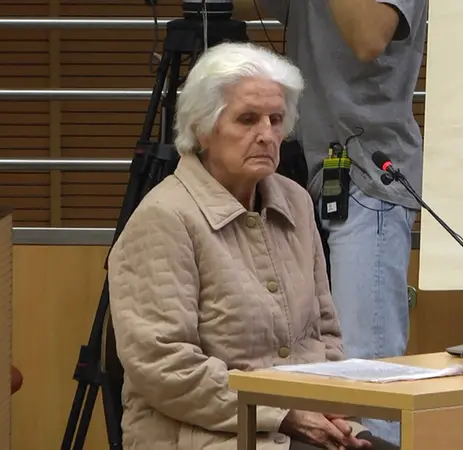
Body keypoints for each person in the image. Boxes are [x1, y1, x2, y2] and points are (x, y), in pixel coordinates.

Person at [107, 42, 398, 450]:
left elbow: (326, 334)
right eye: (247, 120)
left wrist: (333, 410)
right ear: (202, 128)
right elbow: (163, 365)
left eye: (276, 120)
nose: (266, 135)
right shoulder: (164, 218)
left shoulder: (296, 201)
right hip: (203, 435)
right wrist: (285, 415)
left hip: (301, 425)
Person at [233, 1, 428, 444]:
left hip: (367, 178)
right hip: (298, 175)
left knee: (365, 377)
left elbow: (368, 36)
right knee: (306, 367)